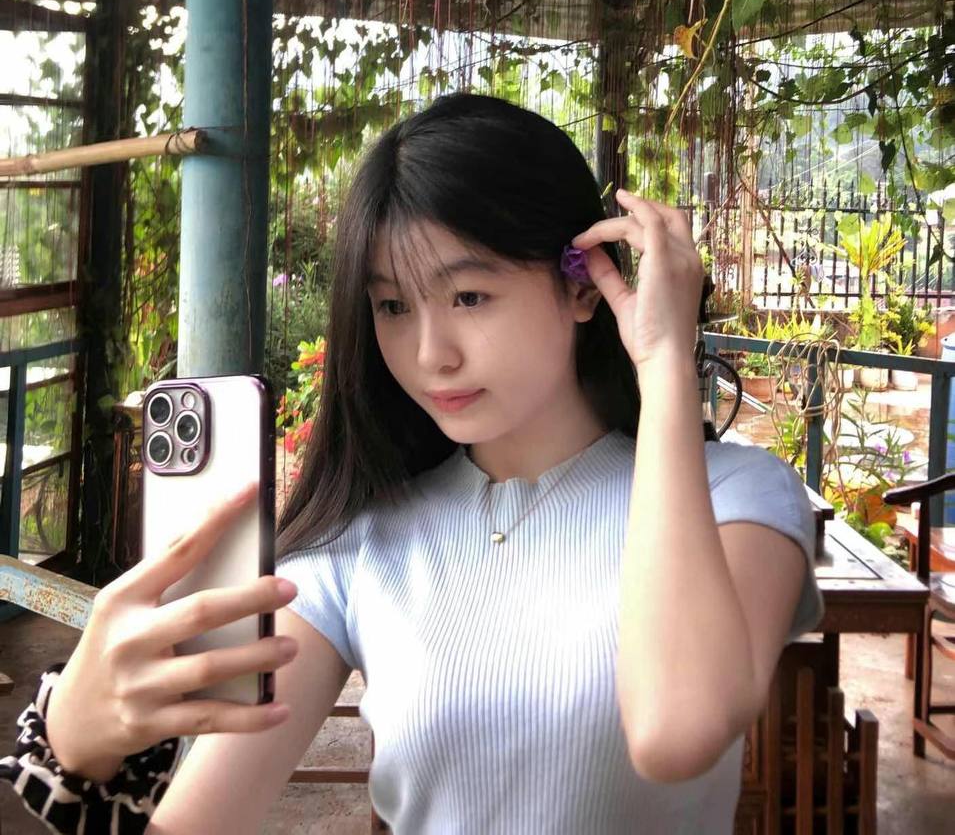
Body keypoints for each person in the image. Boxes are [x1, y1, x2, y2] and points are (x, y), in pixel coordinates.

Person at [1, 93, 824, 833]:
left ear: (583, 285)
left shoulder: (737, 500)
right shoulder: (361, 545)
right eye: (392, 305)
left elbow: (676, 731)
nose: (430, 353)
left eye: (468, 296)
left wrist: (664, 364)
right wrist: (74, 748)